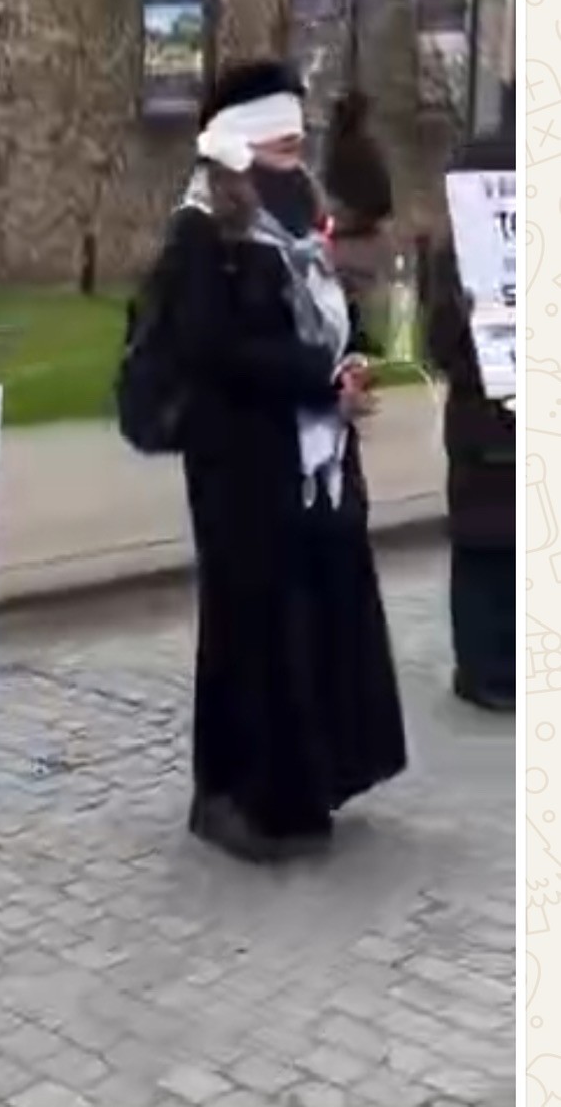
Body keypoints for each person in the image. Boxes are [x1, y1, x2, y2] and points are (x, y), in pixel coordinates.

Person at [151, 59, 407, 862]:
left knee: (312, 617)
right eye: (280, 144)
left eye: (298, 143)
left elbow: (328, 316)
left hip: (310, 460)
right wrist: (316, 380)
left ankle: (308, 781)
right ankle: (234, 795)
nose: (295, 157)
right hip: (240, 463)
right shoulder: (201, 231)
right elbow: (213, 346)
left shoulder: (296, 220)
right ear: (240, 142)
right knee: (248, 627)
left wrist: (350, 362)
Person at [416, 130, 515, 712]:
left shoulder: (456, 250)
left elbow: (440, 343)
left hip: (480, 417)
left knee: (480, 545)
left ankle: (484, 670)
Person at [321, 89, 395, 356]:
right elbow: (383, 196)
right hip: (365, 233)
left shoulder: (336, 150)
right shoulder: (365, 150)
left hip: (347, 234)